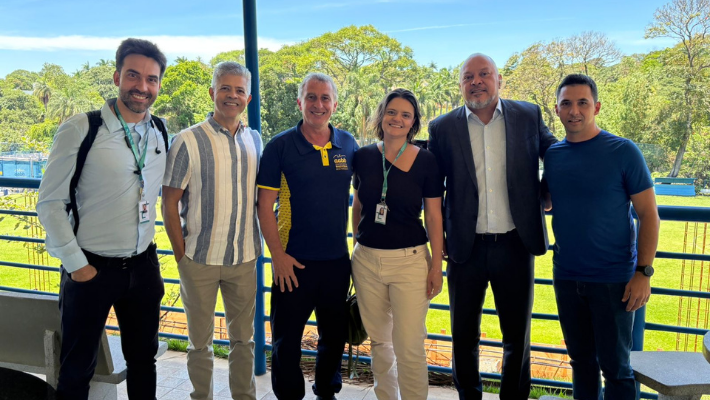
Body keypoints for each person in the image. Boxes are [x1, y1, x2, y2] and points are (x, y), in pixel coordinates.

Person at [36, 38, 168, 399]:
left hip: (143, 266)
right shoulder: (82, 129)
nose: (142, 86)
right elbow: (50, 203)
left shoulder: (160, 132)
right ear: (116, 77)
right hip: (91, 268)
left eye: (152, 79)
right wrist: (77, 266)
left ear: (158, 84)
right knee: (77, 369)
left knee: (143, 362)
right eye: (133, 75)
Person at [428, 53, 557, 400]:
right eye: (468, 77)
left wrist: (546, 195)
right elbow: (432, 190)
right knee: (462, 335)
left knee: (517, 336)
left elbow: (557, 156)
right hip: (464, 247)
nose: (476, 82)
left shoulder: (528, 115)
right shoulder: (442, 128)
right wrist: (437, 242)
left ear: (499, 80)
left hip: (516, 243)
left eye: (484, 74)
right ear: (460, 85)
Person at [543, 74, 660, 400]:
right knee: (581, 363)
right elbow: (548, 199)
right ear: (557, 109)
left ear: (596, 107)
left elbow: (649, 215)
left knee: (617, 369)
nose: (574, 111)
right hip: (567, 277)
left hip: (614, 281)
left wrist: (643, 272)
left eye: (583, 103)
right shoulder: (553, 155)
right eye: (566, 103)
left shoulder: (623, 151)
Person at [162, 61, 262, 400]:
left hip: (243, 258)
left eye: (239, 90)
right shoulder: (187, 140)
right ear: (212, 92)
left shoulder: (255, 140)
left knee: (244, 341)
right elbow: (169, 202)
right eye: (225, 88)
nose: (232, 96)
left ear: (248, 98)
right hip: (199, 259)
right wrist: (182, 255)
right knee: (199, 344)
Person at [256, 73, 358, 400]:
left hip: (336, 263)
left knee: (334, 338)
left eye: (325, 98)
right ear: (300, 102)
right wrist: (278, 257)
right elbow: (264, 207)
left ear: (335, 104)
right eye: (311, 97)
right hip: (293, 262)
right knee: (286, 341)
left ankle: (327, 392)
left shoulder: (348, 144)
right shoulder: (280, 146)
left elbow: (365, 198)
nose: (318, 104)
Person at [350, 88, 444, 400]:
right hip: (367, 262)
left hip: (410, 261)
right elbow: (358, 206)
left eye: (405, 114)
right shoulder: (363, 156)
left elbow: (434, 216)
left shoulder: (427, 161)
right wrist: (358, 245)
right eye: (391, 112)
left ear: (414, 122)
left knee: (409, 345)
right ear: (382, 116)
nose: (397, 119)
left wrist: (436, 266)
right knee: (380, 342)